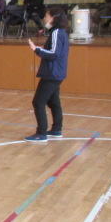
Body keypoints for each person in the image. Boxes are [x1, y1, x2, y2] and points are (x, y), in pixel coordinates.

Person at [25, 8, 70, 143]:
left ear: (53, 17)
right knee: (53, 101)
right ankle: (56, 129)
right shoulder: (61, 32)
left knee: (38, 102)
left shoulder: (57, 32)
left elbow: (54, 53)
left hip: (52, 73)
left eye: (46, 16)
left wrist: (36, 49)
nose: (44, 18)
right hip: (56, 73)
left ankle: (41, 133)